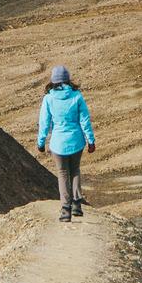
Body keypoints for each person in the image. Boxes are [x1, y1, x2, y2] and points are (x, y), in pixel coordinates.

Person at [37, 64, 96, 220]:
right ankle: (77, 204)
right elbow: (85, 120)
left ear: (53, 80)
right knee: (75, 170)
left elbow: (44, 122)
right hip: (76, 141)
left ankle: (65, 210)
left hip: (58, 144)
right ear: (67, 79)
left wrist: (41, 142)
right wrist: (91, 140)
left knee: (63, 174)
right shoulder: (77, 96)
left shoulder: (48, 98)